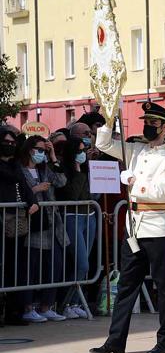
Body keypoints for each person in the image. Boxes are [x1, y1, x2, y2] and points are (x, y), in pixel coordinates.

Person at [90, 102, 165, 353]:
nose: (148, 127)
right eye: (147, 122)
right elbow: (104, 145)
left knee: (164, 287)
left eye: (154, 124)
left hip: (157, 228)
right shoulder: (136, 150)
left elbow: (161, 191)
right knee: (126, 287)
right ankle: (115, 342)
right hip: (134, 226)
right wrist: (108, 120)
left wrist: (133, 181)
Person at [18, 135, 69, 323]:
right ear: (29, 149)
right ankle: (28, 307)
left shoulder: (44, 168)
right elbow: (17, 193)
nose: (42, 153)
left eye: (44, 150)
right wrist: (36, 189)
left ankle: (47, 306)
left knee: (54, 265)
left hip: (51, 223)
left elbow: (62, 181)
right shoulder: (20, 169)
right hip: (33, 223)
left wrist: (53, 156)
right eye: (40, 150)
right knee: (31, 267)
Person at [0, 128, 39, 325]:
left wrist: (33, 202)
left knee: (15, 267)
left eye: (13, 143)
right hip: (2, 219)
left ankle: (14, 312)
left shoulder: (16, 165)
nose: (9, 145)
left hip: (16, 222)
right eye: (6, 141)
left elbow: (25, 187)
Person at [56, 136, 96, 319]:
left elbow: (91, 195)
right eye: (79, 151)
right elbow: (73, 195)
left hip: (90, 216)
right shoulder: (65, 170)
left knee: (83, 265)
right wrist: (78, 172)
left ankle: (75, 302)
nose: (82, 154)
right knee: (81, 263)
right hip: (72, 217)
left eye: (84, 150)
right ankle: (65, 303)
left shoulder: (88, 168)